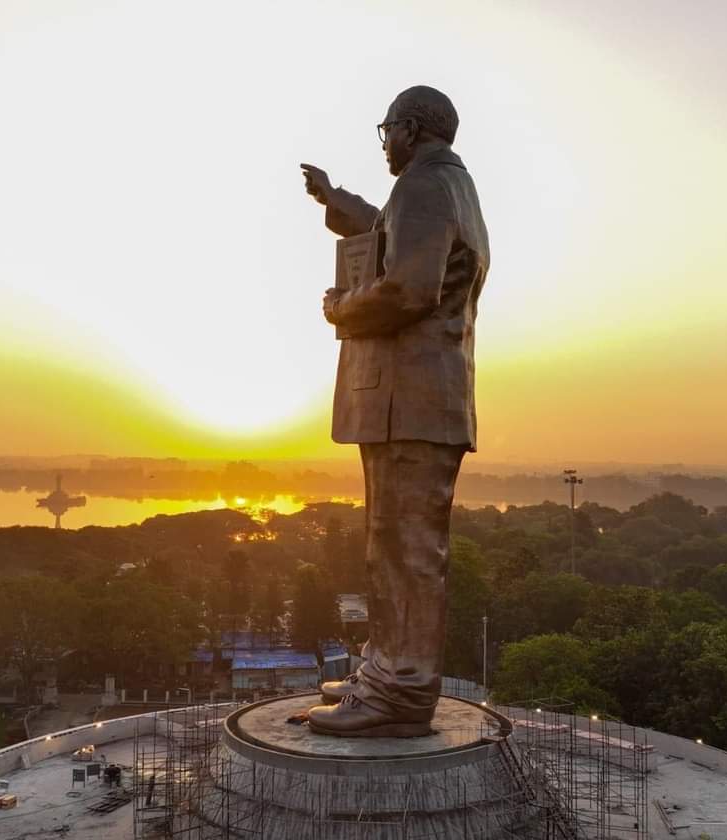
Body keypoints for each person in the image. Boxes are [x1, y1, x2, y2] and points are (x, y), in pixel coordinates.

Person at [299, 85, 489, 737]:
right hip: (415, 400)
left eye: (386, 131)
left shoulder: (426, 187)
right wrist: (336, 202)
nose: (384, 144)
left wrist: (342, 309)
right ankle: (385, 671)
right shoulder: (443, 186)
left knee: (407, 547)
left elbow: (409, 285)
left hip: (412, 399)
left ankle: (402, 694)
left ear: (409, 129)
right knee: (392, 543)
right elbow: (391, 234)